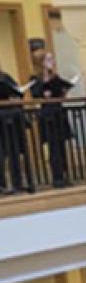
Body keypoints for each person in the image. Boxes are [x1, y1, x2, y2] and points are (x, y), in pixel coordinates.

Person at [29, 50, 75, 187]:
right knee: (53, 146)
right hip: (48, 115)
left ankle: (65, 175)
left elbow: (60, 93)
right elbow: (35, 94)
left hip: (59, 112)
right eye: (49, 60)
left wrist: (64, 91)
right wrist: (45, 88)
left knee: (61, 146)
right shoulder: (34, 79)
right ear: (41, 62)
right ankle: (57, 177)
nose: (52, 62)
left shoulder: (55, 77)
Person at [0, 63, 30, 194]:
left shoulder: (5, 77)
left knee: (14, 151)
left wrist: (18, 92)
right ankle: (2, 185)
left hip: (9, 119)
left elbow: (18, 91)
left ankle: (17, 182)